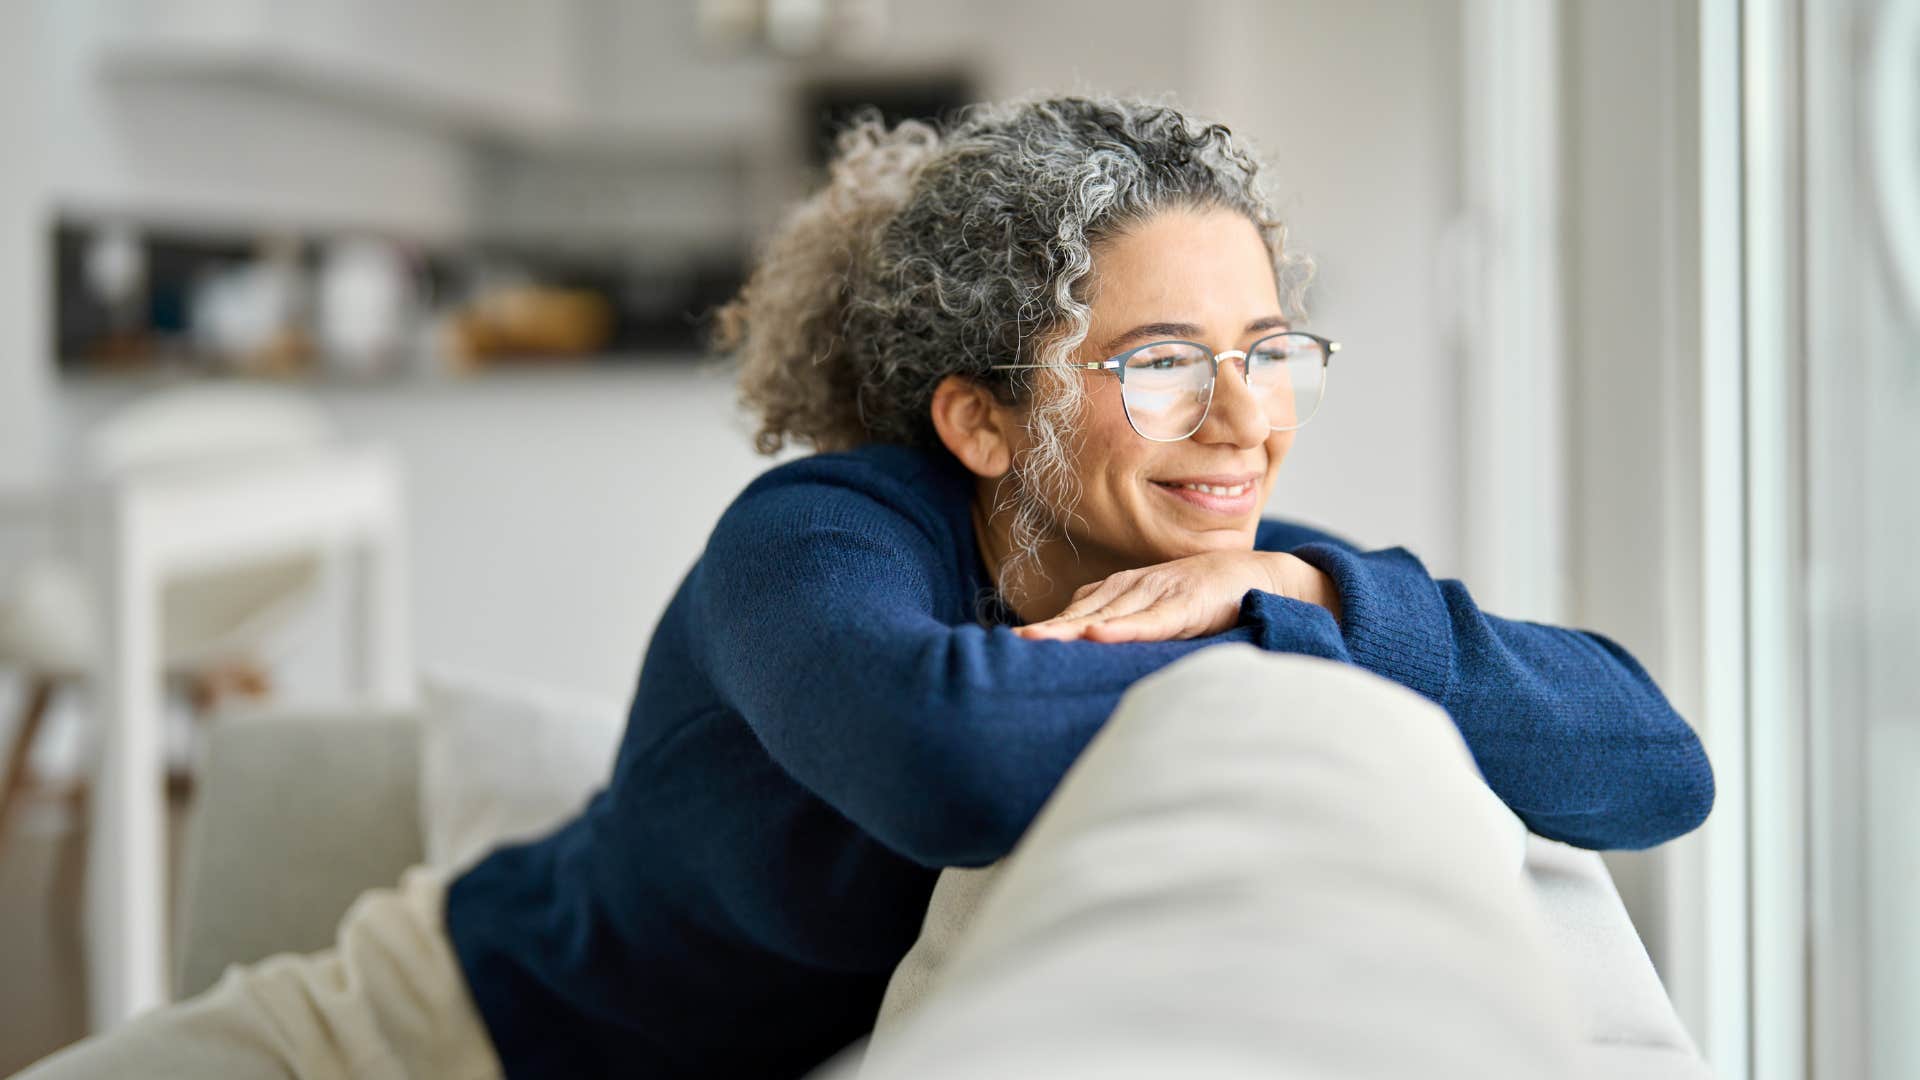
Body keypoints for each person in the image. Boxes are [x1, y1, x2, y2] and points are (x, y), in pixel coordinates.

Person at [19, 95, 1713, 1080]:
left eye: (1270, 350)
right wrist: (1262, 619)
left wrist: (1304, 613)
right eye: (1162, 363)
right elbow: (941, 758)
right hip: (432, 1043)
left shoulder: (1253, 579)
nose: (1247, 418)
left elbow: (1654, 763)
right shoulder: (820, 542)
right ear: (978, 418)